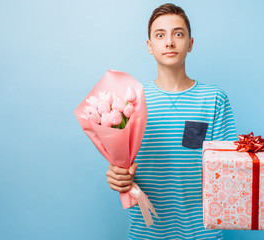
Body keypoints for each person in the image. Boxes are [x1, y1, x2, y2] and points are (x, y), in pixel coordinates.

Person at [106, 3, 238, 239]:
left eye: (178, 34)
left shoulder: (214, 98)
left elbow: (229, 169)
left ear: (190, 44)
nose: (169, 42)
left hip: (203, 232)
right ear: (150, 46)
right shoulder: (132, 102)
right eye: (160, 35)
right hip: (147, 231)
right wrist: (117, 174)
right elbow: (122, 164)